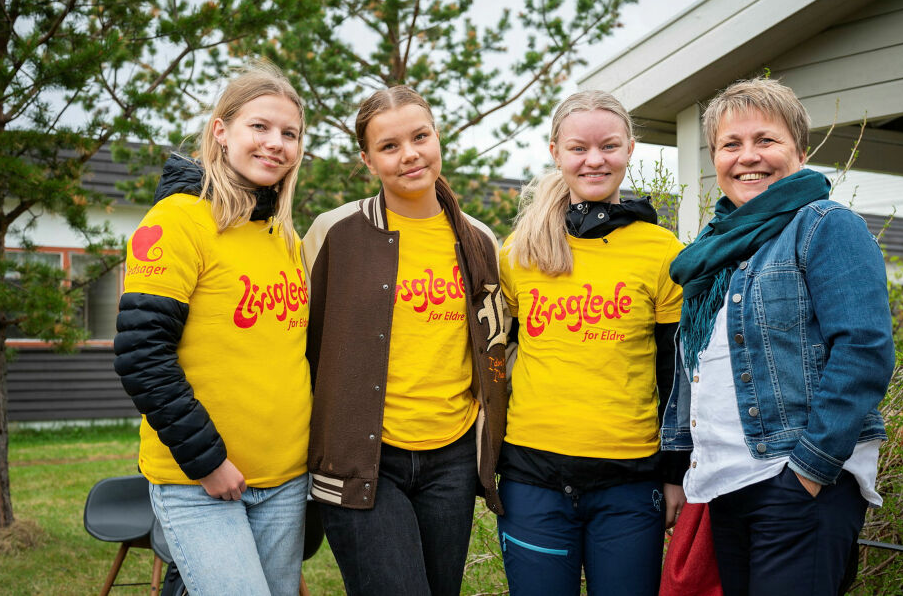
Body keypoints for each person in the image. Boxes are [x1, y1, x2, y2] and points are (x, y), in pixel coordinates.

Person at [661, 77, 895, 595]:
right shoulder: (713, 250)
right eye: (731, 145)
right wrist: (680, 465)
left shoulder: (825, 225)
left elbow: (864, 350)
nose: (749, 158)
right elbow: (696, 371)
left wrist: (808, 471)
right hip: (724, 484)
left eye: (766, 140)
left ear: (800, 151)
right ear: (715, 158)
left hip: (797, 479)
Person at [301, 85, 509, 596]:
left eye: (420, 136)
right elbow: (293, 342)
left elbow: (498, 348)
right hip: (364, 459)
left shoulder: (479, 240)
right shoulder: (335, 233)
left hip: (452, 461)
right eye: (389, 146)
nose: (410, 154)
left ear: (437, 137)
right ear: (367, 159)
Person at [114, 61, 311, 596]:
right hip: (199, 480)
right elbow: (142, 355)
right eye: (260, 127)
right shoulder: (177, 221)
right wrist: (208, 462)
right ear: (220, 131)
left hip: (287, 480)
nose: (275, 143)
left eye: (289, 134)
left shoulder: (284, 240)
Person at [497, 90, 686, 596]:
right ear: (556, 151)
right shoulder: (519, 251)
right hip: (532, 477)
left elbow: (676, 374)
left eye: (609, 146)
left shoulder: (662, 251)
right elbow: (495, 359)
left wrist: (675, 473)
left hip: (630, 481)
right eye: (579, 148)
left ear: (629, 150)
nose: (594, 160)